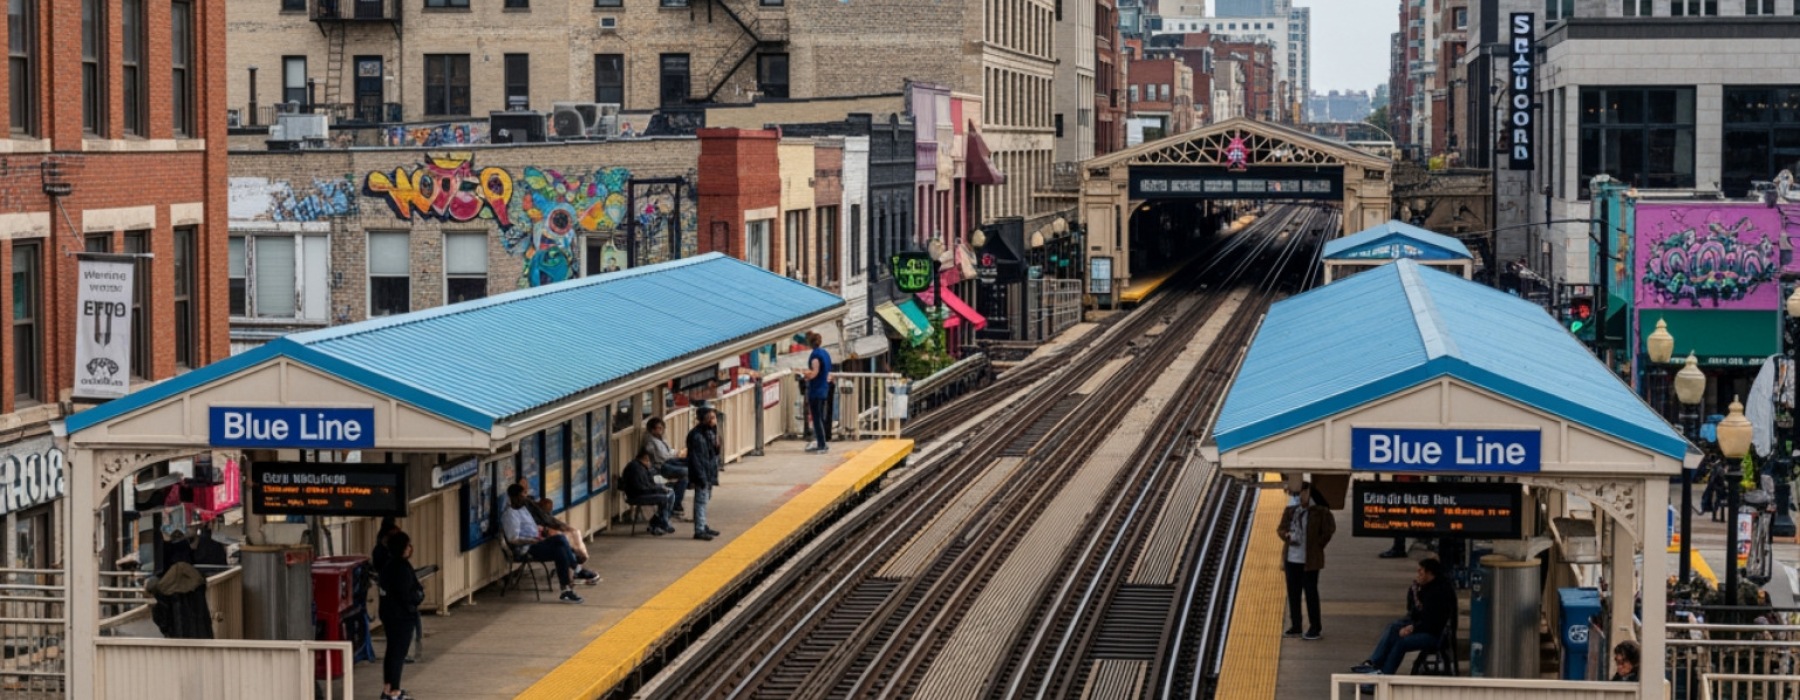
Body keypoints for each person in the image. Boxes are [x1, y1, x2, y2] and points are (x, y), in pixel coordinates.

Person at [1352, 558, 1458, 679]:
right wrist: (1415, 594)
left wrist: (1412, 629)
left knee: (1402, 642)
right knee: (1393, 628)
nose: (1418, 574)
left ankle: (1385, 675)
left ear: (1429, 573)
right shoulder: (1426, 587)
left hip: (1434, 634)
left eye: (1421, 572)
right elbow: (1413, 612)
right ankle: (1374, 663)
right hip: (1425, 626)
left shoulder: (1439, 592)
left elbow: (1432, 622)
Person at [502, 483, 593, 603]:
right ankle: (576, 570)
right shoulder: (510, 515)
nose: (525, 498)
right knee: (560, 541)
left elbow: (532, 526)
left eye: (525, 494)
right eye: (522, 495)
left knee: (560, 548)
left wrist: (540, 532)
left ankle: (566, 590)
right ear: (514, 497)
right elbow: (513, 539)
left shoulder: (524, 509)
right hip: (527, 548)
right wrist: (532, 540)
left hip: (537, 543)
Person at [1278, 482, 1335, 640]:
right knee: (1293, 593)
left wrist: (1318, 545)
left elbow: (1328, 530)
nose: (1299, 496)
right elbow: (1281, 528)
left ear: (1309, 494)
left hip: (1310, 561)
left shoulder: (1320, 512)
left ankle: (1315, 627)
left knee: (1311, 593)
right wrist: (1287, 535)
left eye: (1302, 493)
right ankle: (1296, 625)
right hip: (1292, 558)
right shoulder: (1291, 510)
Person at [518, 480, 599, 581]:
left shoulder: (528, 504)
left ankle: (576, 566)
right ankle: (576, 569)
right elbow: (515, 537)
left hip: (538, 537)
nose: (524, 492)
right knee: (561, 544)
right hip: (531, 544)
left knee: (568, 537)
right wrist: (538, 535)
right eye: (522, 491)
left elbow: (542, 521)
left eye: (526, 489)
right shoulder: (513, 513)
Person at [376, 531, 423, 700]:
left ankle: (388, 688)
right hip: (401, 617)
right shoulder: (401, 567)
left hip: (389, 615)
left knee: (391, 652)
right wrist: (417, 597)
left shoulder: (388, 566)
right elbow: (407, 594)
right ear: (402, 547)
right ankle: (394, 692)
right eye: (408, 545)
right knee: (398, 653)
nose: (411, 548)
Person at [686, 407, 724, 541]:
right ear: (705, 419)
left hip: (709, 472)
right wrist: (701, 477)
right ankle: (699, 529)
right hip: (702, 473)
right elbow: (697, 459)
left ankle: (703, 525)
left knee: (705, 499)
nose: (714, 421)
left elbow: (714, 452)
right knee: (701, 501)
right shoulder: (697, 436)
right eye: (712, 418)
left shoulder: (709, 433)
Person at [621, 448, 676, 535]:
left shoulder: (642, 467)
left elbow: (649, 483)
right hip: (636, 495)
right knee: (664, 498)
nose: (650, 464)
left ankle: (658, 522)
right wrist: (658, 489)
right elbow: (641, 488)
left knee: (671, 493)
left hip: (643, 491)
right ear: (645, 458)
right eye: (649, 461)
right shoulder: (636, 469)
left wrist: (660, 488)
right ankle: (662, 523)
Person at [645, 417, 688, 519]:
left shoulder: (662, 439)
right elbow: (662, 457)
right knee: (686, 471)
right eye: (658, 428)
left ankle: (676, 504)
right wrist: (677, 456)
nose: (660, 430)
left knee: (684, 478)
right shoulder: (650, 442)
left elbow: (669, 450)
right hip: (662, 466)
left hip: (671, 462)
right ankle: (676, 505)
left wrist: (677, 452)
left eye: (661, 428)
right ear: (652, 430)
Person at [802, 331, 834, 453]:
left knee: (817, 418)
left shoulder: (815, 356)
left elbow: (815, 372)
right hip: (824, 388)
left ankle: (821, 444)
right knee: (820, 416)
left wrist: (805, 375)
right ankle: (821, 442)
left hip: (816, 390)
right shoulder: (825, 353)